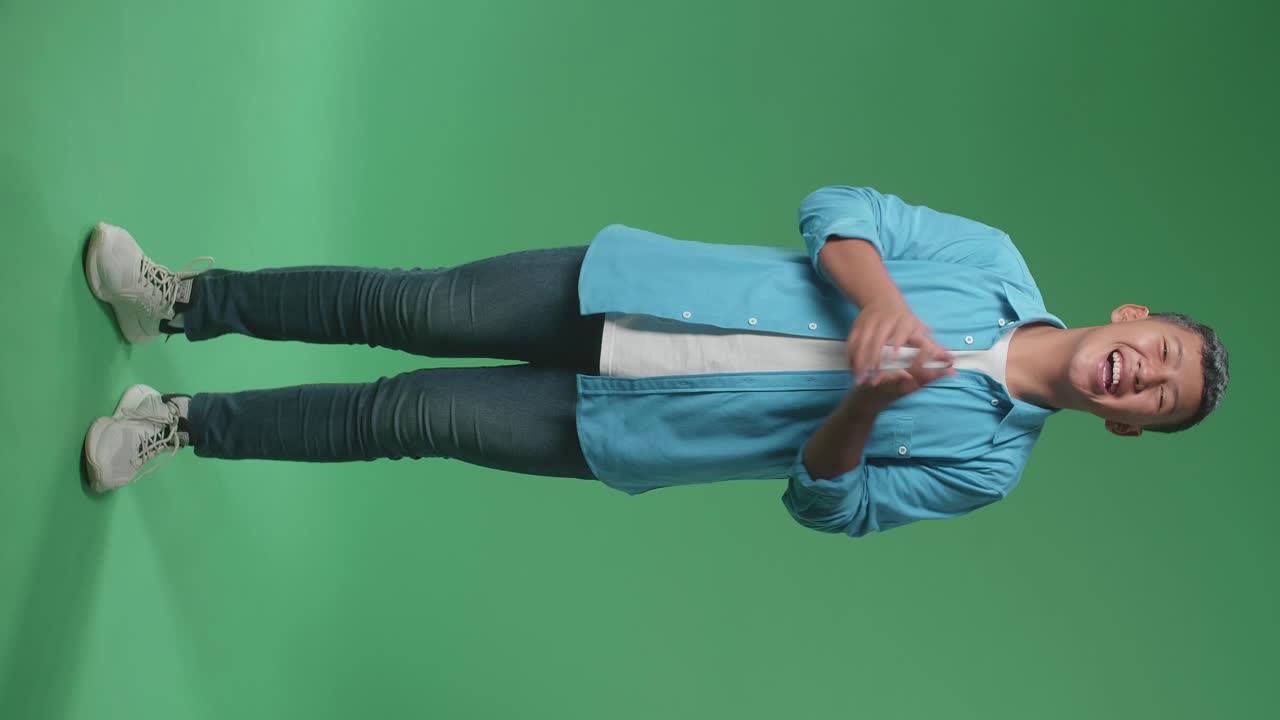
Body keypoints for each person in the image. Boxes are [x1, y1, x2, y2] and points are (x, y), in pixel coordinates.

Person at [81, 185, 1230, 537]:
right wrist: (876, 306)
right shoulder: (990, 259)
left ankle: (180, 422)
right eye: (1158, 351)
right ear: (1132, 316)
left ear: (1127, 425)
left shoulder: (987, 469)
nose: (1140, 372)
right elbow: (836, 209)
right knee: (408, 302)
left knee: (405, 416)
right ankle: (178, 301)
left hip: (620, 431)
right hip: (625, 286)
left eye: (1157, 396)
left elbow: (824, 507)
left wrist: (866, 406)